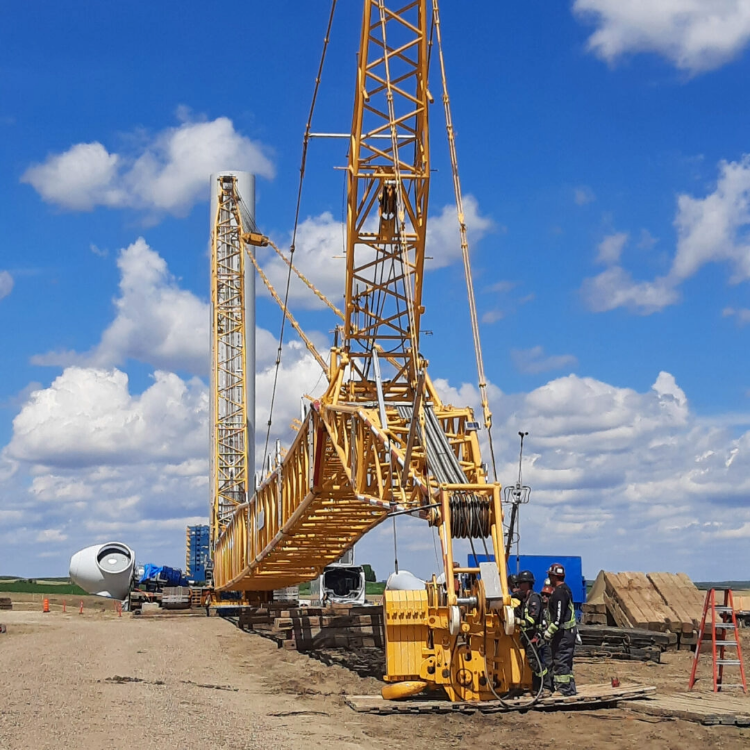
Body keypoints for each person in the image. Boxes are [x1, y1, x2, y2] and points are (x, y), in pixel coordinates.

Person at [543, 562, 577, 696]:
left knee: (560, 660)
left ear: (553, 577)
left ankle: (564, 690)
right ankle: (569, 688)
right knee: (566, 661)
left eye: (550, 576)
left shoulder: (559, 594)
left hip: (563, 634)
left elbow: (558, 617)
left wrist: (548, 633)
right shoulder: (566, 590)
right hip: (568, 633)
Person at [517, 570, 552, 695]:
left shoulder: (534, 599)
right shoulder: (525, 599)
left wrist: (520, 622)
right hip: (527, 637)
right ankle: (536, 688)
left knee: (535, 661)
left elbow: (533, 618)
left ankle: (546, 686)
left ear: (528, 584)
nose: (519, 586)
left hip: (534, 636)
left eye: (521, 583)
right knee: (532, 662)